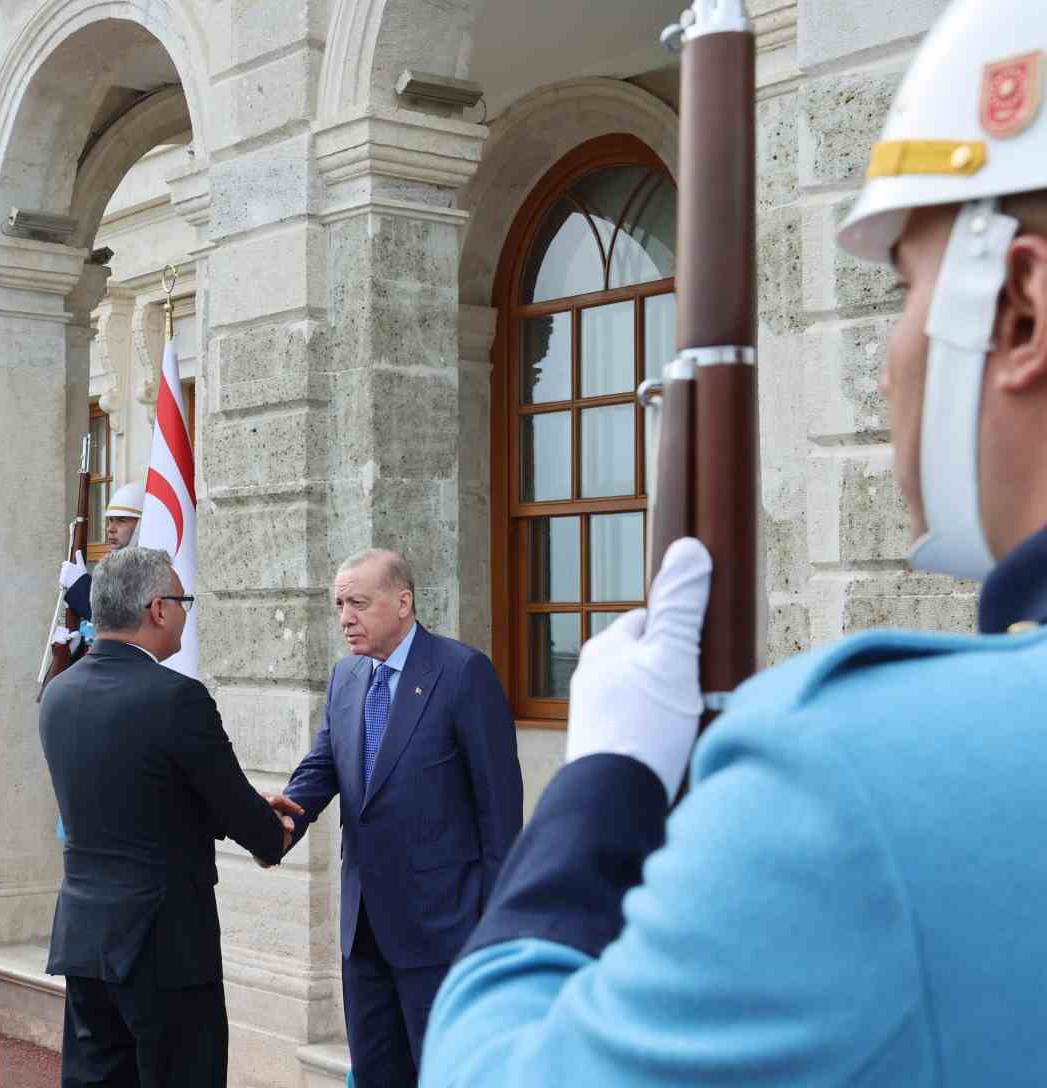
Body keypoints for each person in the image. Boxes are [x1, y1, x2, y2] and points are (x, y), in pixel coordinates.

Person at [420, 2, 1047, 1084]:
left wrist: (602, 781)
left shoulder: (852, 774)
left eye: (905, 287)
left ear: (1019, 311)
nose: (893, 348)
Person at [39, 545, 297, 1087]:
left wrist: (236, 811)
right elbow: (238, 814)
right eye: (183, 601)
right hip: (165, 947)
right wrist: (267, 829)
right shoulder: (177, 697)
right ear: (158, 609)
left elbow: (139, 798)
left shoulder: (58, 694)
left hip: (86, 939)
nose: (184, 612)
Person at [272, 548, 523, 1087]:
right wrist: (277, 820)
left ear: (403, 602)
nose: (345, 618)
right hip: (363, 934)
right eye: (339, 605)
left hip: (445, 931)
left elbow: (500, 812)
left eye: (358, 603)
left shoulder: (463, 673)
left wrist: (497, 926)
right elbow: (322, 767)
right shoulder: (345, 677)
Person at [57, 480, 144, 633]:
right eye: (111, 520)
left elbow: (118, 623)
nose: (110, 528)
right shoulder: (112, 566)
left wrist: (80, 587)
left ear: (141, 525)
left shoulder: (148, 570)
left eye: (121, 520)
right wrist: (81, 643)